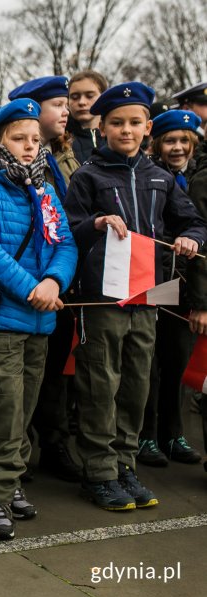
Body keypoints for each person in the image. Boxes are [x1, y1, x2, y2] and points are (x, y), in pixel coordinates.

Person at [62, 82, 207, 512]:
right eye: (117, 123)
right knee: (99, 384)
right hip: (102, 299)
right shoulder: (88, 176)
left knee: (135, 383)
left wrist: (189, 239)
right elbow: (69, 230)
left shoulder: (160, 177)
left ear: (148, 129)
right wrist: (96, 223)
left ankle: (125, 464)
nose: (126, 130)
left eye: (135, 123)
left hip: (148, 295)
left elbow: (193, 222)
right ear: (103, 127)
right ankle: (100, 471)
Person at [0, 98, 78, 539]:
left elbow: (65, 243)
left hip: (40, 320)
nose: (29, 147)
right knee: (4, 411)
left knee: (24, 408)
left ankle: (11, 482)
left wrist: (54, 282)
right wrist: (33, 289)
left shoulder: (43, 188)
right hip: (4, 319)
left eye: (34, 139)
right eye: (18, 138)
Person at [8, 76, 84, 483]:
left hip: (60, 278)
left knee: (53, 373)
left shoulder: (67, 155)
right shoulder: (23, 166)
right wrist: (39, 284)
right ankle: (19, 457)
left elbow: (66, 231)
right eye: (57, 103)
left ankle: (52, 442)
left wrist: (57, 277)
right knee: (21, 383)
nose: (66, 110)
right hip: (28, 287)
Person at [138, 110, 204, 466]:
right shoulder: (153, 177)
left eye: (184, 141)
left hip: (188, 288)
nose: (177, 148)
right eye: (170, 141)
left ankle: (173, 432)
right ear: (157, 144)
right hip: (156, 280)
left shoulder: (196, 179)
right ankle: (146, 435)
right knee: (149, 364)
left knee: (179, 360)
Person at [67, 70, 108, 161]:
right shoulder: (60, 142)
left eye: (89, 96)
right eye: (74, 97)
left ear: (104, 98)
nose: (82, 102)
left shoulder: (118, 137)